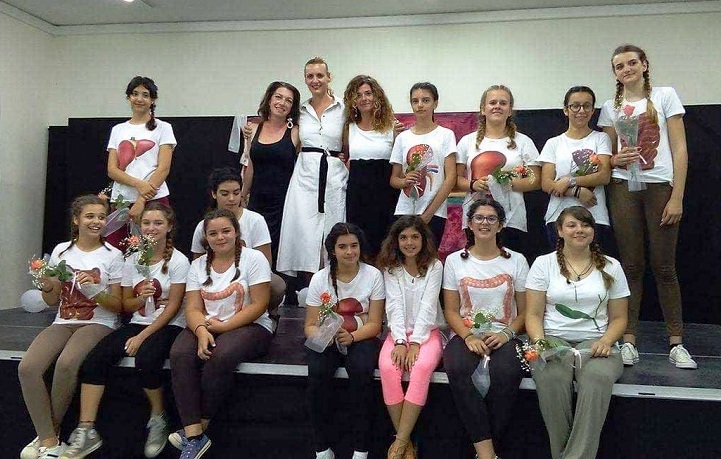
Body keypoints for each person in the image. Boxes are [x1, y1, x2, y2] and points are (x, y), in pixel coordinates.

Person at [60, 202, 189, 459]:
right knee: (95, 360)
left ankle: (158, 416)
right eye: (147, 223)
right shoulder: (133, 259)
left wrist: (142, 336)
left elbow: (174, 307)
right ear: (139, 226)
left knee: (147, 359)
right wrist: (141, 299)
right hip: (137, 323)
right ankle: (87, 429)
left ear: (169, 227)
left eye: (158, 223)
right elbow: (126, 304)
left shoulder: (179, 260)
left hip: (169, 325)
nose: (151, 228)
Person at [597, 44, 695, 369]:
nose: (626, 69)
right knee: (631, 267)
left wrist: (677, 196)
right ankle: (628, 340)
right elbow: (607, 155)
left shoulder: (665, 96)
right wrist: (615, 159)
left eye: (631, 63)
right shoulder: (611, 107)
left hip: (659, 186)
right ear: (615, 73)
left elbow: (680, 149)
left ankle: (676, 342)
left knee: (664, 267)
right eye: (619, 66)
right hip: (623, 186)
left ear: (644, 65)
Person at [18, 195, 124, 459]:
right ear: (76, 220)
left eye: (101, 217)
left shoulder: (113, 255)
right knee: (28, 367)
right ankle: (50, 439)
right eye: (90, 216)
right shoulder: (61, 251)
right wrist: (46, 285)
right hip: (64, 320)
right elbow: (52, 300)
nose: (96, 221)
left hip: (99, 321)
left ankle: (48, 437)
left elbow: (118, 305)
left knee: (67, 363)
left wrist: (95, 290)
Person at [525, 206, 629, 459]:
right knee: (551, 378)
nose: (579, 230)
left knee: (596, 378)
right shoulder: (543, 264)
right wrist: (540, 342)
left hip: (596, 341)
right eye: (571, 225)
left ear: (593, 230)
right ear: (560, 231)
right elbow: (533, 314)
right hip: (552, 339)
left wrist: (606, 341)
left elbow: (619, 318)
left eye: (585, 225)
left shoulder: (612, 266)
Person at [168, 208, 273, 459]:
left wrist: (223, 328)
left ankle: (198, 429)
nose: (220, 237)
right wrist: (201, 330)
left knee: (221, 355)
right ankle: (194, 434)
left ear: (236, 232)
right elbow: (193, 308)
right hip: (207, 324)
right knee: (179, 353)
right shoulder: (197, 265)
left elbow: (260, 304)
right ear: (206, 238)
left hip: (250, 325)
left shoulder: (254, 259)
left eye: (226, 231)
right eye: (213, 233)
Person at [442, 198, 529, 459]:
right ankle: (488, 454)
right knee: (457, 368)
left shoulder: (517, 260)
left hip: (505, 334)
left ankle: (485, 450)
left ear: (500, 225)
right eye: (479, 218)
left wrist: (506, 334)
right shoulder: (455, 261)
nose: (485, 223)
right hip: (466, 333)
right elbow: (450, 310)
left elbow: (526, 311)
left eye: (492, 218)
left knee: (507, 372)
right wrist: (468, 336)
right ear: (469, 224)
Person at [303, 223, 385, 459]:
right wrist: (323, 336)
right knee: (317, 372)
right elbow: (309, 326)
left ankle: (361, 449)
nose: (349, 252)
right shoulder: (320, 279)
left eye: (354, 246)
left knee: (361, 370)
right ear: (332, 250)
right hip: (327, 338)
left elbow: (375, 324)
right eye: (343, 247)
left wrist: (352, 337)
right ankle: (321, 448)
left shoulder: (373, 275)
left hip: (361, 336)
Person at [376, 216, 444, 459]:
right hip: (397, 334)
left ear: (424, 240)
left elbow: (428, 306)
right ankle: (406, 446)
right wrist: (400, 342)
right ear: (396, 241)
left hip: (427, 333)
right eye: (403, 237)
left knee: (421, 367)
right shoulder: (390, 268)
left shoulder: (435, 266)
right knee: (387, 368)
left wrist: (415, 342)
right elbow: (393, 306)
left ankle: (400, 443)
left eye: (415, 237)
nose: (409, 242)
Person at [277, 57, 347, 288]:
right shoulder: (300, 110)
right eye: (310, 76)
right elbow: (277, 127)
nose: (315, 80)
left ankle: (334, 289)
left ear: (329, 77)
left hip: (334, 174)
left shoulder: (344, 108)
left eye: (320, 75)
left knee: (333, 231)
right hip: (305, 176)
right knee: (306, 237)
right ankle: (313, 292)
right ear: (305, 79)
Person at [190, 167, 285, 328]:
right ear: (214, 194)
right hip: (215, 280)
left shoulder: (255, 220)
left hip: (249, 276)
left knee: (277, 284)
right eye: (225, 194)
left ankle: (266, 313)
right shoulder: (202, 226)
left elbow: (265, 261)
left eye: (236, 192)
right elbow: (198, 262)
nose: (232, 199)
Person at [455, 85, 540, 256]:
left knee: (509, 263)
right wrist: (473, 184)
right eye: (492, 102)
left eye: (503, 103)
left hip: (511, 218)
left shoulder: (523, 142)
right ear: (483, 109)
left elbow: (536, 180)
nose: (497, 106)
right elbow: (455, 180)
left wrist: (509, 183)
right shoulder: (467, 142)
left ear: (510, 110)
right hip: (476, 218)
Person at [105, 76, 177, 248]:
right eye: (135, 94)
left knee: (153, 248)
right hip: (122, 199)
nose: (139, 99)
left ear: (153, 100)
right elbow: (112, 170)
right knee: (117, 248)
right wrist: (139, 184)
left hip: (154, 198)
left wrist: (141, 200)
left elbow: (163, 168)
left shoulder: (163, 128)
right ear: (128, 97)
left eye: (145, 95)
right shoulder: (118, 130)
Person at [538, 86, 612, 249]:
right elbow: (547, 183)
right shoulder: (553, 143)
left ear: (593, 110)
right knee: (561, 263)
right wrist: (576, 191)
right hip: (558, 217)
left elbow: (604, 175)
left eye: (587, 106)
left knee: (593, 263)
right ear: (566, 110)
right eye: (575, 106)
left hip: (594, 216)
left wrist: (569, 181)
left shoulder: (601, 138)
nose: (581, 110)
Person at [241, 81, 301, 269]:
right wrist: (242, 194)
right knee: (255, 249)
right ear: (269, 99)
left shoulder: (296, 131)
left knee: (280, 251)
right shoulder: (252, 128)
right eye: (278, 97)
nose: (282, 103)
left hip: (284, 203)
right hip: (257, 201)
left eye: (288, 100)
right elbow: (250, 165)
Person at [390, 82, 457, 248]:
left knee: (429, 258)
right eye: (415, 101)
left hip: (434, 212)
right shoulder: (402, 138)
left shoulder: (446, 135)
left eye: (425, 100)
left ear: (435, 103)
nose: (420, 105)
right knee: (405, 256)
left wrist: (428, 213)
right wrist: (404, 181)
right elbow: (394, 179)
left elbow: (451, 178)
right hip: (405, 210)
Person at [342, 75, 398, 261]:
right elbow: (345, 158)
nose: (364, 98)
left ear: (377, 97)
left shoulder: (392, 127)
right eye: (358, 95)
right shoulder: (349, 128)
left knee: (386, 246)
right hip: (357, 196)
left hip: (385, 195)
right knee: (361, 245)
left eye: (368, 93)